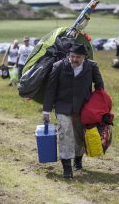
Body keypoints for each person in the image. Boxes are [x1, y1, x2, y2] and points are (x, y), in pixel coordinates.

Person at [42, 43, 104, 179]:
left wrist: (100, 109)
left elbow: (100, 89)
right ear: (68, 55)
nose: (74, 59)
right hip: (62, 107)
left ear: (84, 57)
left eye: (78, 57)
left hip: (83, 109)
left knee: (79, 136)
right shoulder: (58, 66)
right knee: (65, 134)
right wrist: (46, 111)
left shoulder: (92, 67)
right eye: (72, 56)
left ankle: (78, 160)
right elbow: (50, 89)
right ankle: (67, 168)